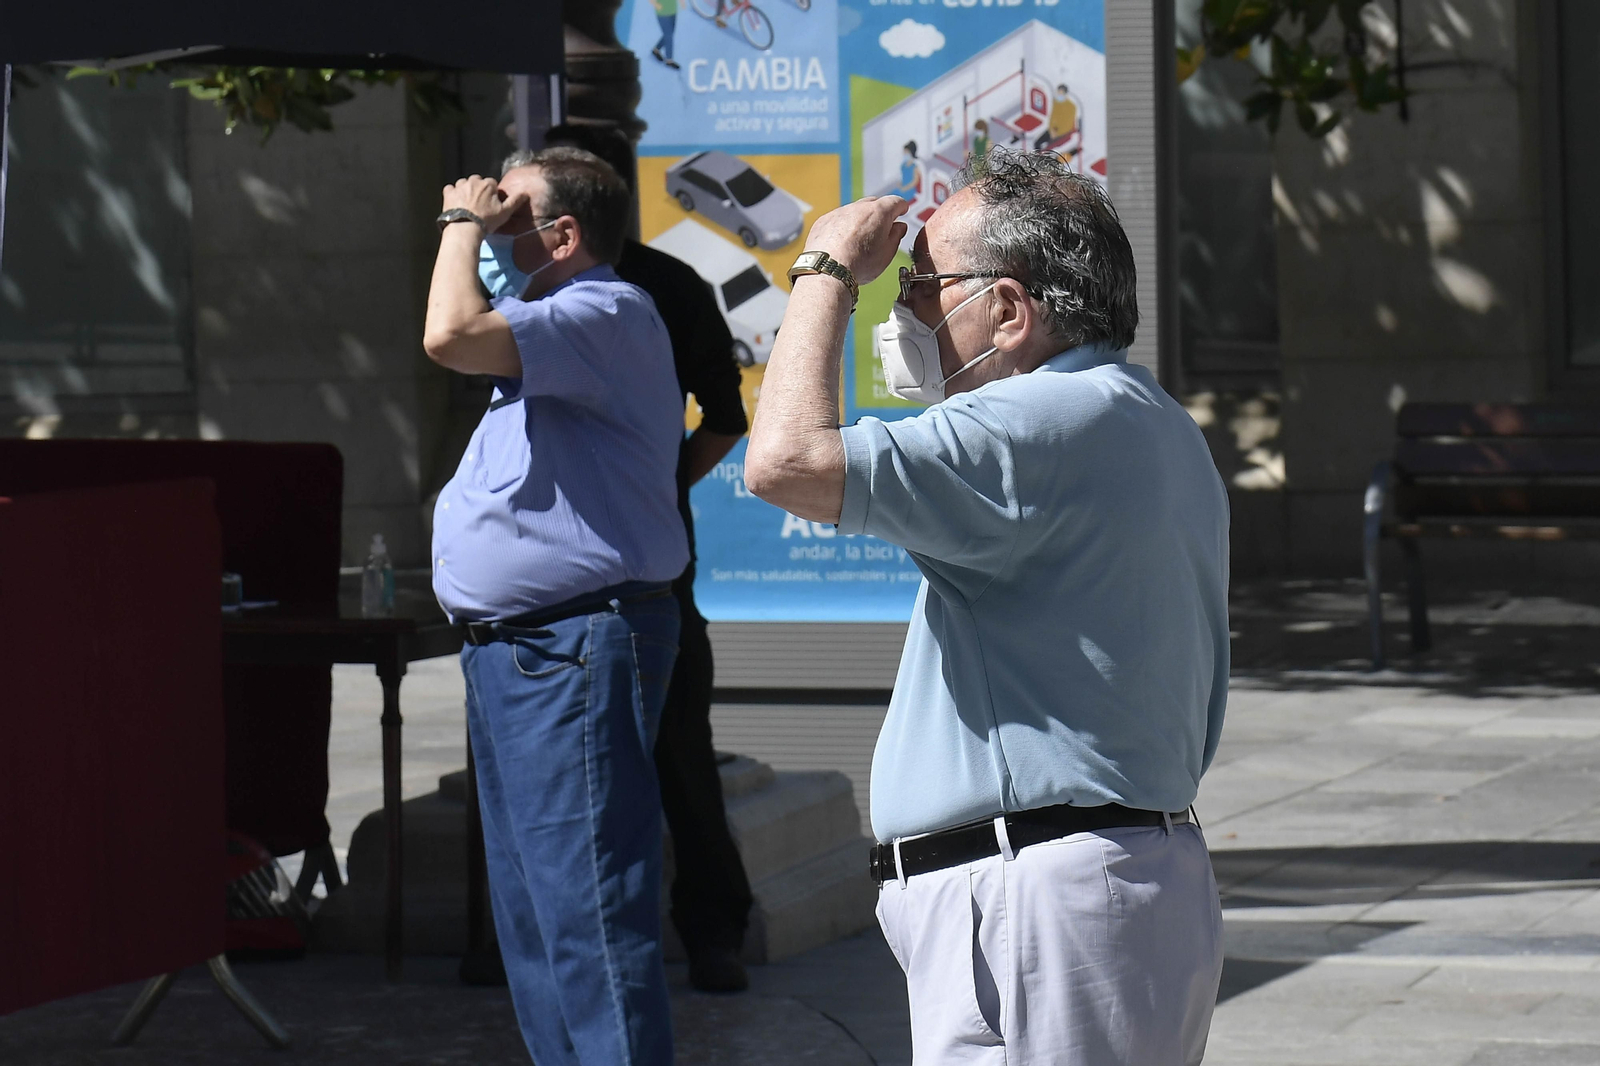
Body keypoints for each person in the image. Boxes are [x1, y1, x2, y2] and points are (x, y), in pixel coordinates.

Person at [744, 147, 1229, 1064]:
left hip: (1042, 898)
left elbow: (785, 461)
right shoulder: (1144, 416)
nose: (905, 308)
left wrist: (824, 274)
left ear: (1008, 309)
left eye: (923, 285)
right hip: (1108, 882)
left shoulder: (1032, 426)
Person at [424, 146, 687, 1066]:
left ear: (562, 236)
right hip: (520, 650)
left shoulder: (600, 310)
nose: (492, 224)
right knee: (534, 919)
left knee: (589, 916)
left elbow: (447, 336)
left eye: (510, 214)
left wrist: (460, 225)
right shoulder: (545, 326)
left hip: (570, 644)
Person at [541, 123, 756, 994]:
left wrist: (660, 487)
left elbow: (727, 416)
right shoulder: (527, 295)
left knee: (675, 746)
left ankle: (713, 929)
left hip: (647, 571)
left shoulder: (659, 285)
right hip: (565, 569)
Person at [1035, 82, 1080, 154]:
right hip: (1052, 130)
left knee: (1047, 149)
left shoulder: (1071, 107)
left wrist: (1056, 133)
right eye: (1058, 92)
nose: (1059, 95)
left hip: (1062, 133)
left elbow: (1067, 123)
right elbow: (1052, 117)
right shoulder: (1056, 102)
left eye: (1061, 93)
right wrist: (1051, 129)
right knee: (1037, 143)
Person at [651, 0, 681, 69]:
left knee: (670, 32)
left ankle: (656, 49)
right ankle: (669, 60)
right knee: (669, 35)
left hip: (672, 9)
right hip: (662, 12)